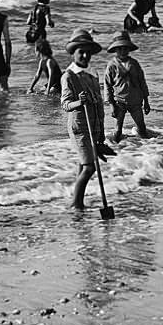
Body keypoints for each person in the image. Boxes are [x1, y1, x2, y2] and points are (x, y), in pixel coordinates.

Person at [61, 29, 115, 210]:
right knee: (90, 167)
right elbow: (65, 104)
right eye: (80, 52)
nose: (84, 55)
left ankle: (78, 198)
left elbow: (98, 101)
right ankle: (76, 204)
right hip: (79, 127)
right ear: (73, 53)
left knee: (82, 165)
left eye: (87, 52)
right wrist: (78, 102)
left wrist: (100, 132)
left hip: (94, 125)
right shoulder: (68, 76)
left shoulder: (92, 74)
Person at [103, 31, 151, 142]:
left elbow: (142, 83)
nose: (123, 51)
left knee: (142, 128)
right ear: (115, 50)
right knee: (118, 130)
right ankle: (116, 149)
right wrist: (111, 105)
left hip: (136, 101)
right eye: (119, 49)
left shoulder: (134, 64)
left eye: (125, 48)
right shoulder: (112, 65)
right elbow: (107, 86)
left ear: (129, 49)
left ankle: (146, 148)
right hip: (119, 102)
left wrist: (146, 101)